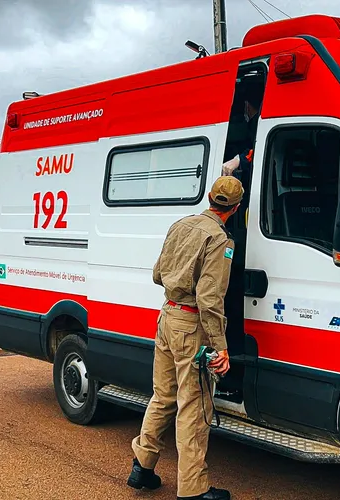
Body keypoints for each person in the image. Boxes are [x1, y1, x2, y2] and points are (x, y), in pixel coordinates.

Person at [127, 176, 243, 500]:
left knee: (162, 396)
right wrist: (220, 347)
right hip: (192, 326)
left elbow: (156, 274)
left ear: (209, 198)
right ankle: (193, 489)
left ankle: (142, 465)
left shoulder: (181, 224)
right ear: (235, 208)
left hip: (166, 317)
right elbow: (209, 298)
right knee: (193, 407)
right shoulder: (220, 240)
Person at [221, 88, 263, 180]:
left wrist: (239, 160)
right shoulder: (255, 123)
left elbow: (259, 149)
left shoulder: (257, 124)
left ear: (246, 105)